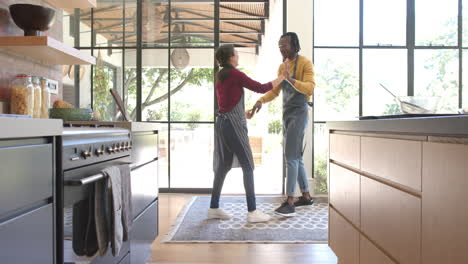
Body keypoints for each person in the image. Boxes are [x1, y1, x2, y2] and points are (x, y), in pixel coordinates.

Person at [208, 44, 285, 223]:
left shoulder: (220, 75)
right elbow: (260, 87)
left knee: (223, 166)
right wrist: (282, 77)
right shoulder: (235, 74)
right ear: (230, 57)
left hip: (222, 123)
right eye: (236, 53)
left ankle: (213, 207)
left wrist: (244, 113)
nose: (238, 55)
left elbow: (226, 103)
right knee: (248, 165)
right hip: (233, 126)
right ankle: (252, 212)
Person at [248, 32, 315, 217]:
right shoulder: (281, 66)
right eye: (279, 45)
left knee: (291, 158)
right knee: (297, 157)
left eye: (284, 45)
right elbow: (275, 90)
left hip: (300, 113)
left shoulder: (305, 64)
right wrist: (260, 101)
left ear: (295, 45)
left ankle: (290, 201)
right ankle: (307, 196)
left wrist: (290, 78)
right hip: (287, 114)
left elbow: (310, 88)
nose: (281, 48)